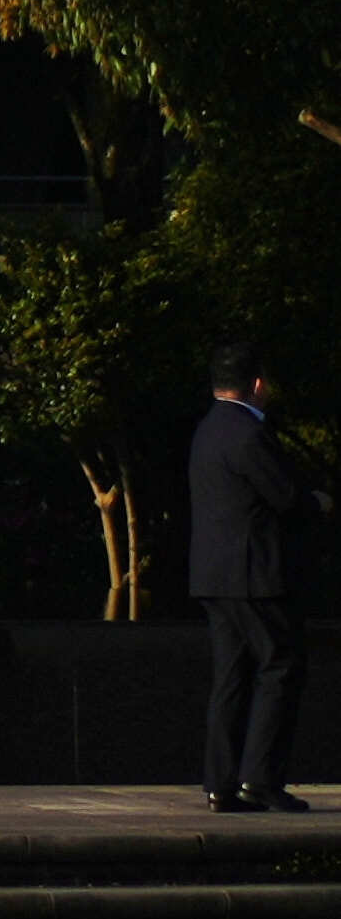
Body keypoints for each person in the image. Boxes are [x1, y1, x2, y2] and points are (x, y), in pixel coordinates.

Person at [192, 340, 326, 815]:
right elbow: (285, 496)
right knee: (280, 666)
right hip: (255, 574)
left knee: (231, 677)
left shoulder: (208, 430)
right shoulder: (249, 433)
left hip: (214, 576)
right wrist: (319, 503)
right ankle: (260, 780)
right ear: (257, 385)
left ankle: (219, 784)